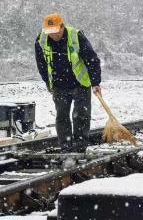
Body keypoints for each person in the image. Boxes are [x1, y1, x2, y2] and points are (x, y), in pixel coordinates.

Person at [35, 13, 101, 153]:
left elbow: (92, 59)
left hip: (80, 83)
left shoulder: (76, 36)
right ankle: (66, 146)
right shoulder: (41, 39)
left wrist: (95, 82)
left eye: (55, 31)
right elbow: (41, 64)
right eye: (49, 32)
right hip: (59, 84)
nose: (53, 35)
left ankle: (79, 147)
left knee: (81, 116)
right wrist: (48, 82)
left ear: (62, 27)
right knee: (62, 116)